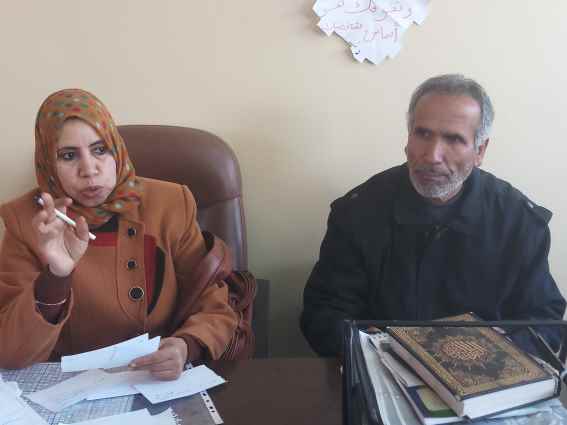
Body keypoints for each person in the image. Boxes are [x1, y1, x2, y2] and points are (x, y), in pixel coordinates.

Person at [300, 74, 566, 358]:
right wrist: (371, 347)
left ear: (480, 150)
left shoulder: (518, 221)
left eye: (454, 139)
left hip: (485, 374)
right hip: (383, 367)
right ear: (407, 139)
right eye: (423, 134)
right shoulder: (358, 212)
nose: (432, 156)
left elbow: (544, 322)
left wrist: (492, 352)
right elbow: (324, 313)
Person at [0, 88, 237, 379]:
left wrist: (186, 345)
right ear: (48, 163)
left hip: (157, 379)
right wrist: (56, 277)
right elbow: (10, 352)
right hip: (65, 384)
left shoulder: (170, 204)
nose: (89, 169)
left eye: (100, 149)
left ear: (117, 149)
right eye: (68, 156)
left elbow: (214, 305)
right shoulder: (29, 222)